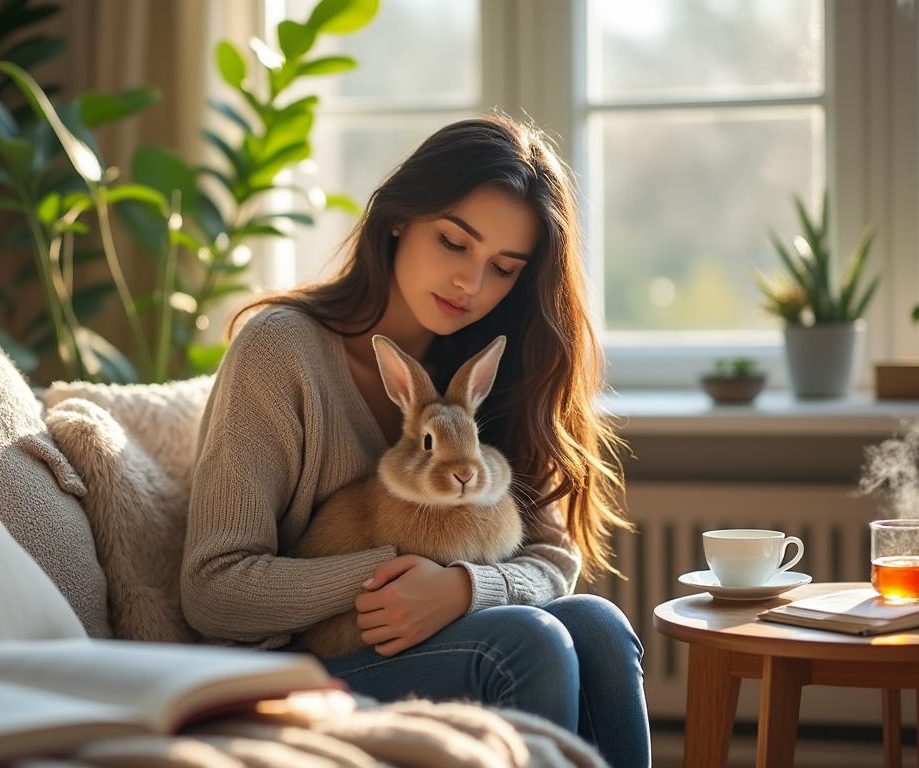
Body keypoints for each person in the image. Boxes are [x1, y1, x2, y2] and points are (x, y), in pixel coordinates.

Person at [181, 114, 650, 767]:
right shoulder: (280, 352)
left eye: (503, 268)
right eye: (453, 243)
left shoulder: (490, 369)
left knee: (599, 625)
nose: (471, 285)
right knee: (531, 643)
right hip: (298, 671)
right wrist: (389, 576)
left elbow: (553, 558)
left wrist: (462, 589)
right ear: (400, 217)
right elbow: (213, 589)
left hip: (448, 635)